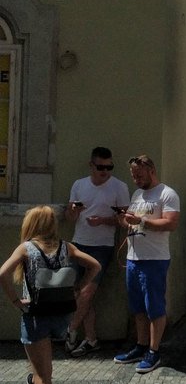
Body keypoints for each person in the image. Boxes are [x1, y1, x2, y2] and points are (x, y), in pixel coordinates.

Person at [0, 206, 101, 384]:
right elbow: (95, 265)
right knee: (43, 370)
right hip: (62, 315)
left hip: (36, 316)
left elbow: (2, 274)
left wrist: (15, 301)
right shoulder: (66, 247)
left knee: (43, 376)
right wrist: (79, 287)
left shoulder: (27, 248)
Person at [114, 155, 180, 373]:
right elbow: (131, 220)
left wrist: (141, 221)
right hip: (133, 257)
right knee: (138, 307)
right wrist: (125, 219)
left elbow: (171, 223)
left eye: (139, 175)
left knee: (154, 307)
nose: (136, 180)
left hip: (154, 259)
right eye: (133, 176)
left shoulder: (167, 194)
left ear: (151, 170)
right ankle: (141, 345)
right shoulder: (137, 194)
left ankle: (154, 350)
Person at [64, 146, 130, 356]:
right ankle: (91, 339)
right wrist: (73, 211)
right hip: (78, 243)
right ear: (91, 165)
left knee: (87, 291)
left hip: (102, 246)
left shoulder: (119, 187)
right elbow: (70, 217)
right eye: (101, 167)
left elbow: (124, 221)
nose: (105, 171)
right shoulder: (79, 185)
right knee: (79, 293)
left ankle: (70, 329)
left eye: (109, 167)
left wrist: (103, 220)